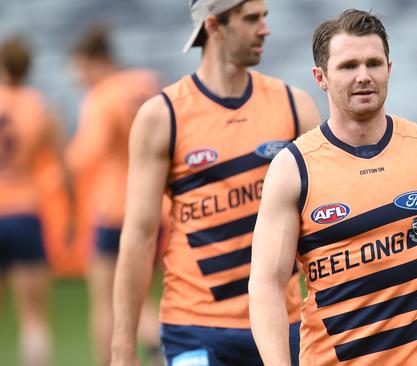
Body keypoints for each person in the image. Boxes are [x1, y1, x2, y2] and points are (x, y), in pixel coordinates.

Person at [249, 9, 417, 366]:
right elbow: (267, 285)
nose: (363, 76)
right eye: (348, 66)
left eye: (373, 63)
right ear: (320, 77)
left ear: (389, 67)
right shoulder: (294, 168)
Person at [110, 0, 321, 365]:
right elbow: (139, 236)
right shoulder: (163, 115)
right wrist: (122, 349)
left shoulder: (294, 105)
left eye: (265, 17)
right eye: (251, 18)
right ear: (213, 26)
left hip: (280, 325)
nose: (265, 29)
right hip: (194, 327)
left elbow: (320, 225)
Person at [66, 25, 162, 366]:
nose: (79, 79)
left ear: (96, 61)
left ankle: (134, 351)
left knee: (108, 296)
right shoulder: (147, 83)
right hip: (154, 203)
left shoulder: (102, 96)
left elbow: (84, 155)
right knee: (140, 290)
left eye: (80, 69)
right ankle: (158, 342)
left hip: (112, 207)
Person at [0, 35, 73, 366]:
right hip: (26, 214)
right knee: (34, 319)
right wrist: (71, 212)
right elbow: (62, 167)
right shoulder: (40, 106)